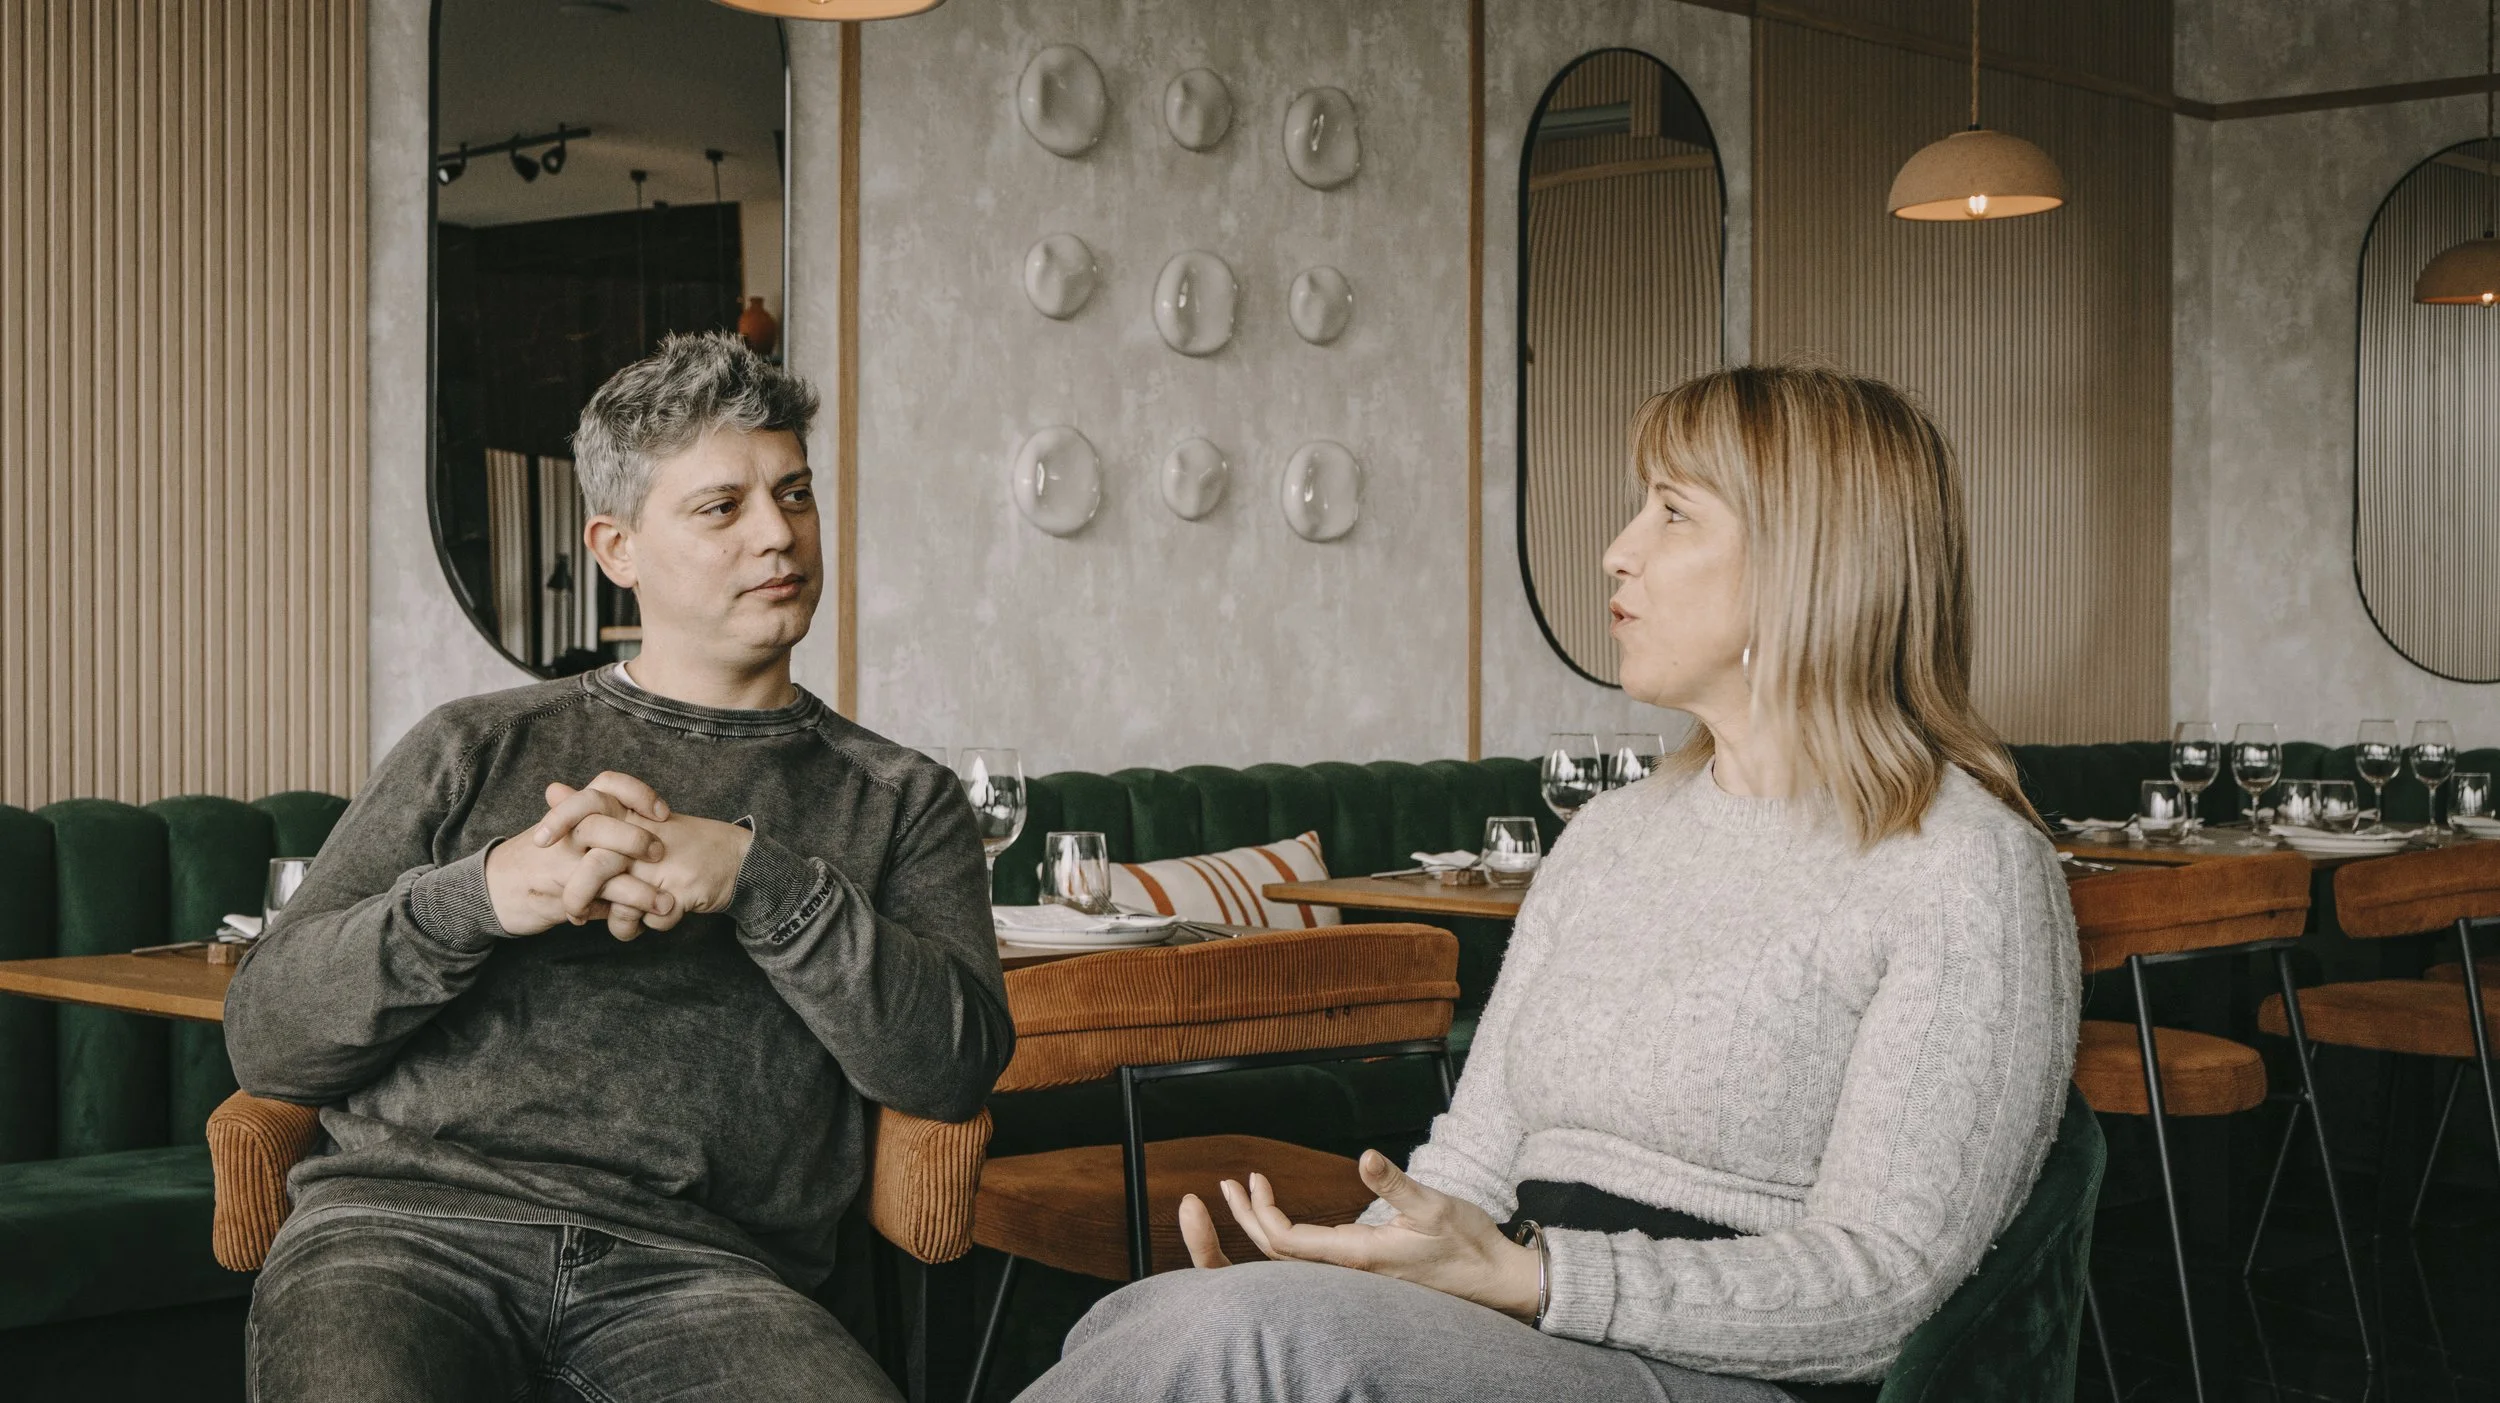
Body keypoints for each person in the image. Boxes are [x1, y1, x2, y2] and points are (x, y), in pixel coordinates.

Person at [1018, 366, 2082, 1403]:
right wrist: (1352, 1275)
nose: (1618, 551)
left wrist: (1535, 1277)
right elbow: (1473, 1163)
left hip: (1740, 1370)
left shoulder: (1964, 865)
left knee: (1242, 1338)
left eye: (1671, 513)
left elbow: (1881, 1289)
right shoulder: (1612, 834)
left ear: (1809, 563)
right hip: (1536, 1323)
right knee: (1163, 1320)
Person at [224, 331, 1012, 1403]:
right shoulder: (473, 746)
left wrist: (758, 878)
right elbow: (267, 1027)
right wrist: (485, 895)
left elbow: (951, 1064)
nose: (779, 534)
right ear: (617, 546)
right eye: (721, 507)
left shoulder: (896, 797)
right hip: (408, 1233)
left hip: (709, 1271)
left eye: (794, 493)